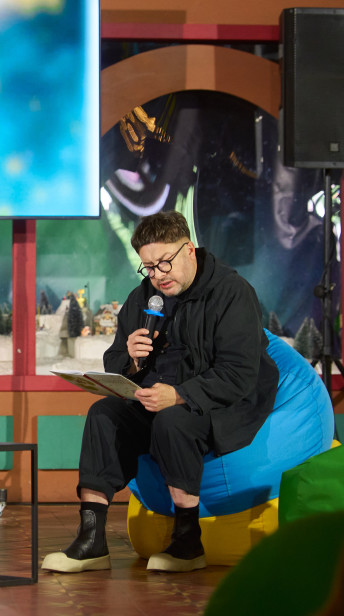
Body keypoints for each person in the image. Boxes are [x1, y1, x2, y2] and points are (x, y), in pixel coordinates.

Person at [41, 211, 278, 573]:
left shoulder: (232, 293)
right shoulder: (144, 297)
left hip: (219, 403)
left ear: (189, 250)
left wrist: (180, 395)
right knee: (103, 414)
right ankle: (91, 540)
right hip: (155, 397)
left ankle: (188, 541)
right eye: (148, 267)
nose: (157, 275)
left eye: (164, 263)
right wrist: (131, 360)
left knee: (173, 420)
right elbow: (115, 359)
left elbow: (239, 373)